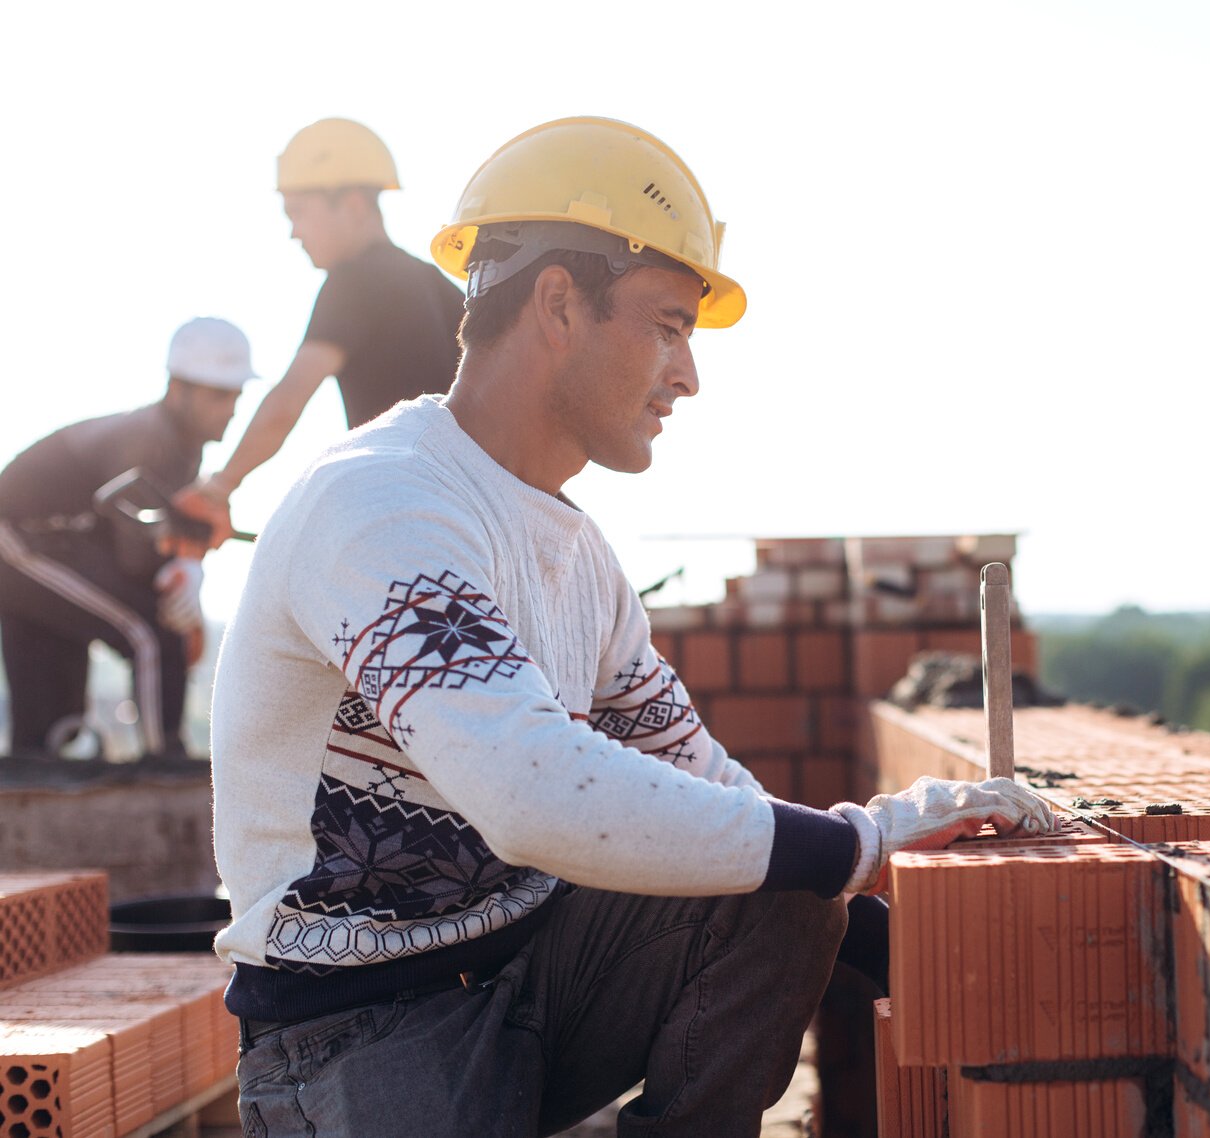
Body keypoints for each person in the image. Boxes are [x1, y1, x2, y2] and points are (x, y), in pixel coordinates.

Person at [211, 117, 1057, 1138]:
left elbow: (708, 794)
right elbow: (529, 790)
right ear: (560, 302)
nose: (688, 375)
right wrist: (859, 840)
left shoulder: (580, 559)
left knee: (783, 887)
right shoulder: (385, 505)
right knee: (803, 861)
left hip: (529, 977)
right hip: (359, 1033)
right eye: (667, 324)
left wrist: (891, 923)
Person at [173, 118, 464, 541]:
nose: (294, 233)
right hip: (475, 512)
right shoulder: (436, 285)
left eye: (299, 213)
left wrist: (217, 488)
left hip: (410, 514)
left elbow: (286, 405)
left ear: (353, 204)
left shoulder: (353, 281)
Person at [0, 317, 254, 766]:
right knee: (150, 634)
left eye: (235, 396)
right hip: (19, 540)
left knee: (44, 734)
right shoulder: (147, 439)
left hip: (63, 544)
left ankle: (39, 766)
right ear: (178, 390)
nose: (231, 409)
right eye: (219, 396)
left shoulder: (183, 447)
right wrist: (184, 574)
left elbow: (148, 542)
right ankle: (166, 762)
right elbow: (137, 556)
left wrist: (185, 566)